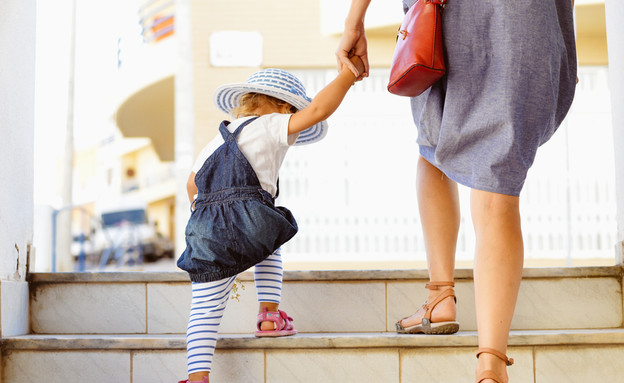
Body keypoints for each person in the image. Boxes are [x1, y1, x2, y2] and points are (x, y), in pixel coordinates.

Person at [336, 1, 577, 382]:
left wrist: (355, 20)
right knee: (497, 179)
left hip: (448, 14)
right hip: (526, 17)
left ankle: (440, 296)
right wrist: (561, 37)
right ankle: (491, 364)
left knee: (433, 147)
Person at [176, 56, 365, 383]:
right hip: (251, 213)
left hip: (205, 225)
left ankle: (197, 377)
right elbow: (318, 111)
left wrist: (209, 224)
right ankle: (269, 315)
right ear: (281, 106)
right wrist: (347, 76)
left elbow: (192, 183)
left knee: (204, 309)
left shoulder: (214, 140)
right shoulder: (271, 123)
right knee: (270, 237)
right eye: (292, 112)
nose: (295, 120)